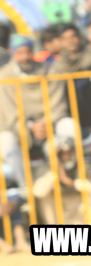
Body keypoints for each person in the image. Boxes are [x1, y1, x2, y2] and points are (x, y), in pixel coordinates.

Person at [0, 36, 73, 206]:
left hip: (50, 123)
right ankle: (26, 190)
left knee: (69, 126)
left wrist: (46, 123)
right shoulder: (4, 76)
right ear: (12, 53)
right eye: (20, 53)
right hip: (19, 129)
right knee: (5, 142)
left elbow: (58, 104)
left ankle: (70, 175)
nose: (25, 57)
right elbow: (8, 113)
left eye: (28, 52)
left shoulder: (49, 71)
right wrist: (30, 127)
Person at [31, 123, 91, 224]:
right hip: (62, 215)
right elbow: (38, 192)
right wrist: (56, 170)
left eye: (68, 152)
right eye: (61, 154)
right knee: (44, 195)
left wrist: (72, 183)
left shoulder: (85, 165)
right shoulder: (48, 169)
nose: (66, 156)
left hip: (82, 214)